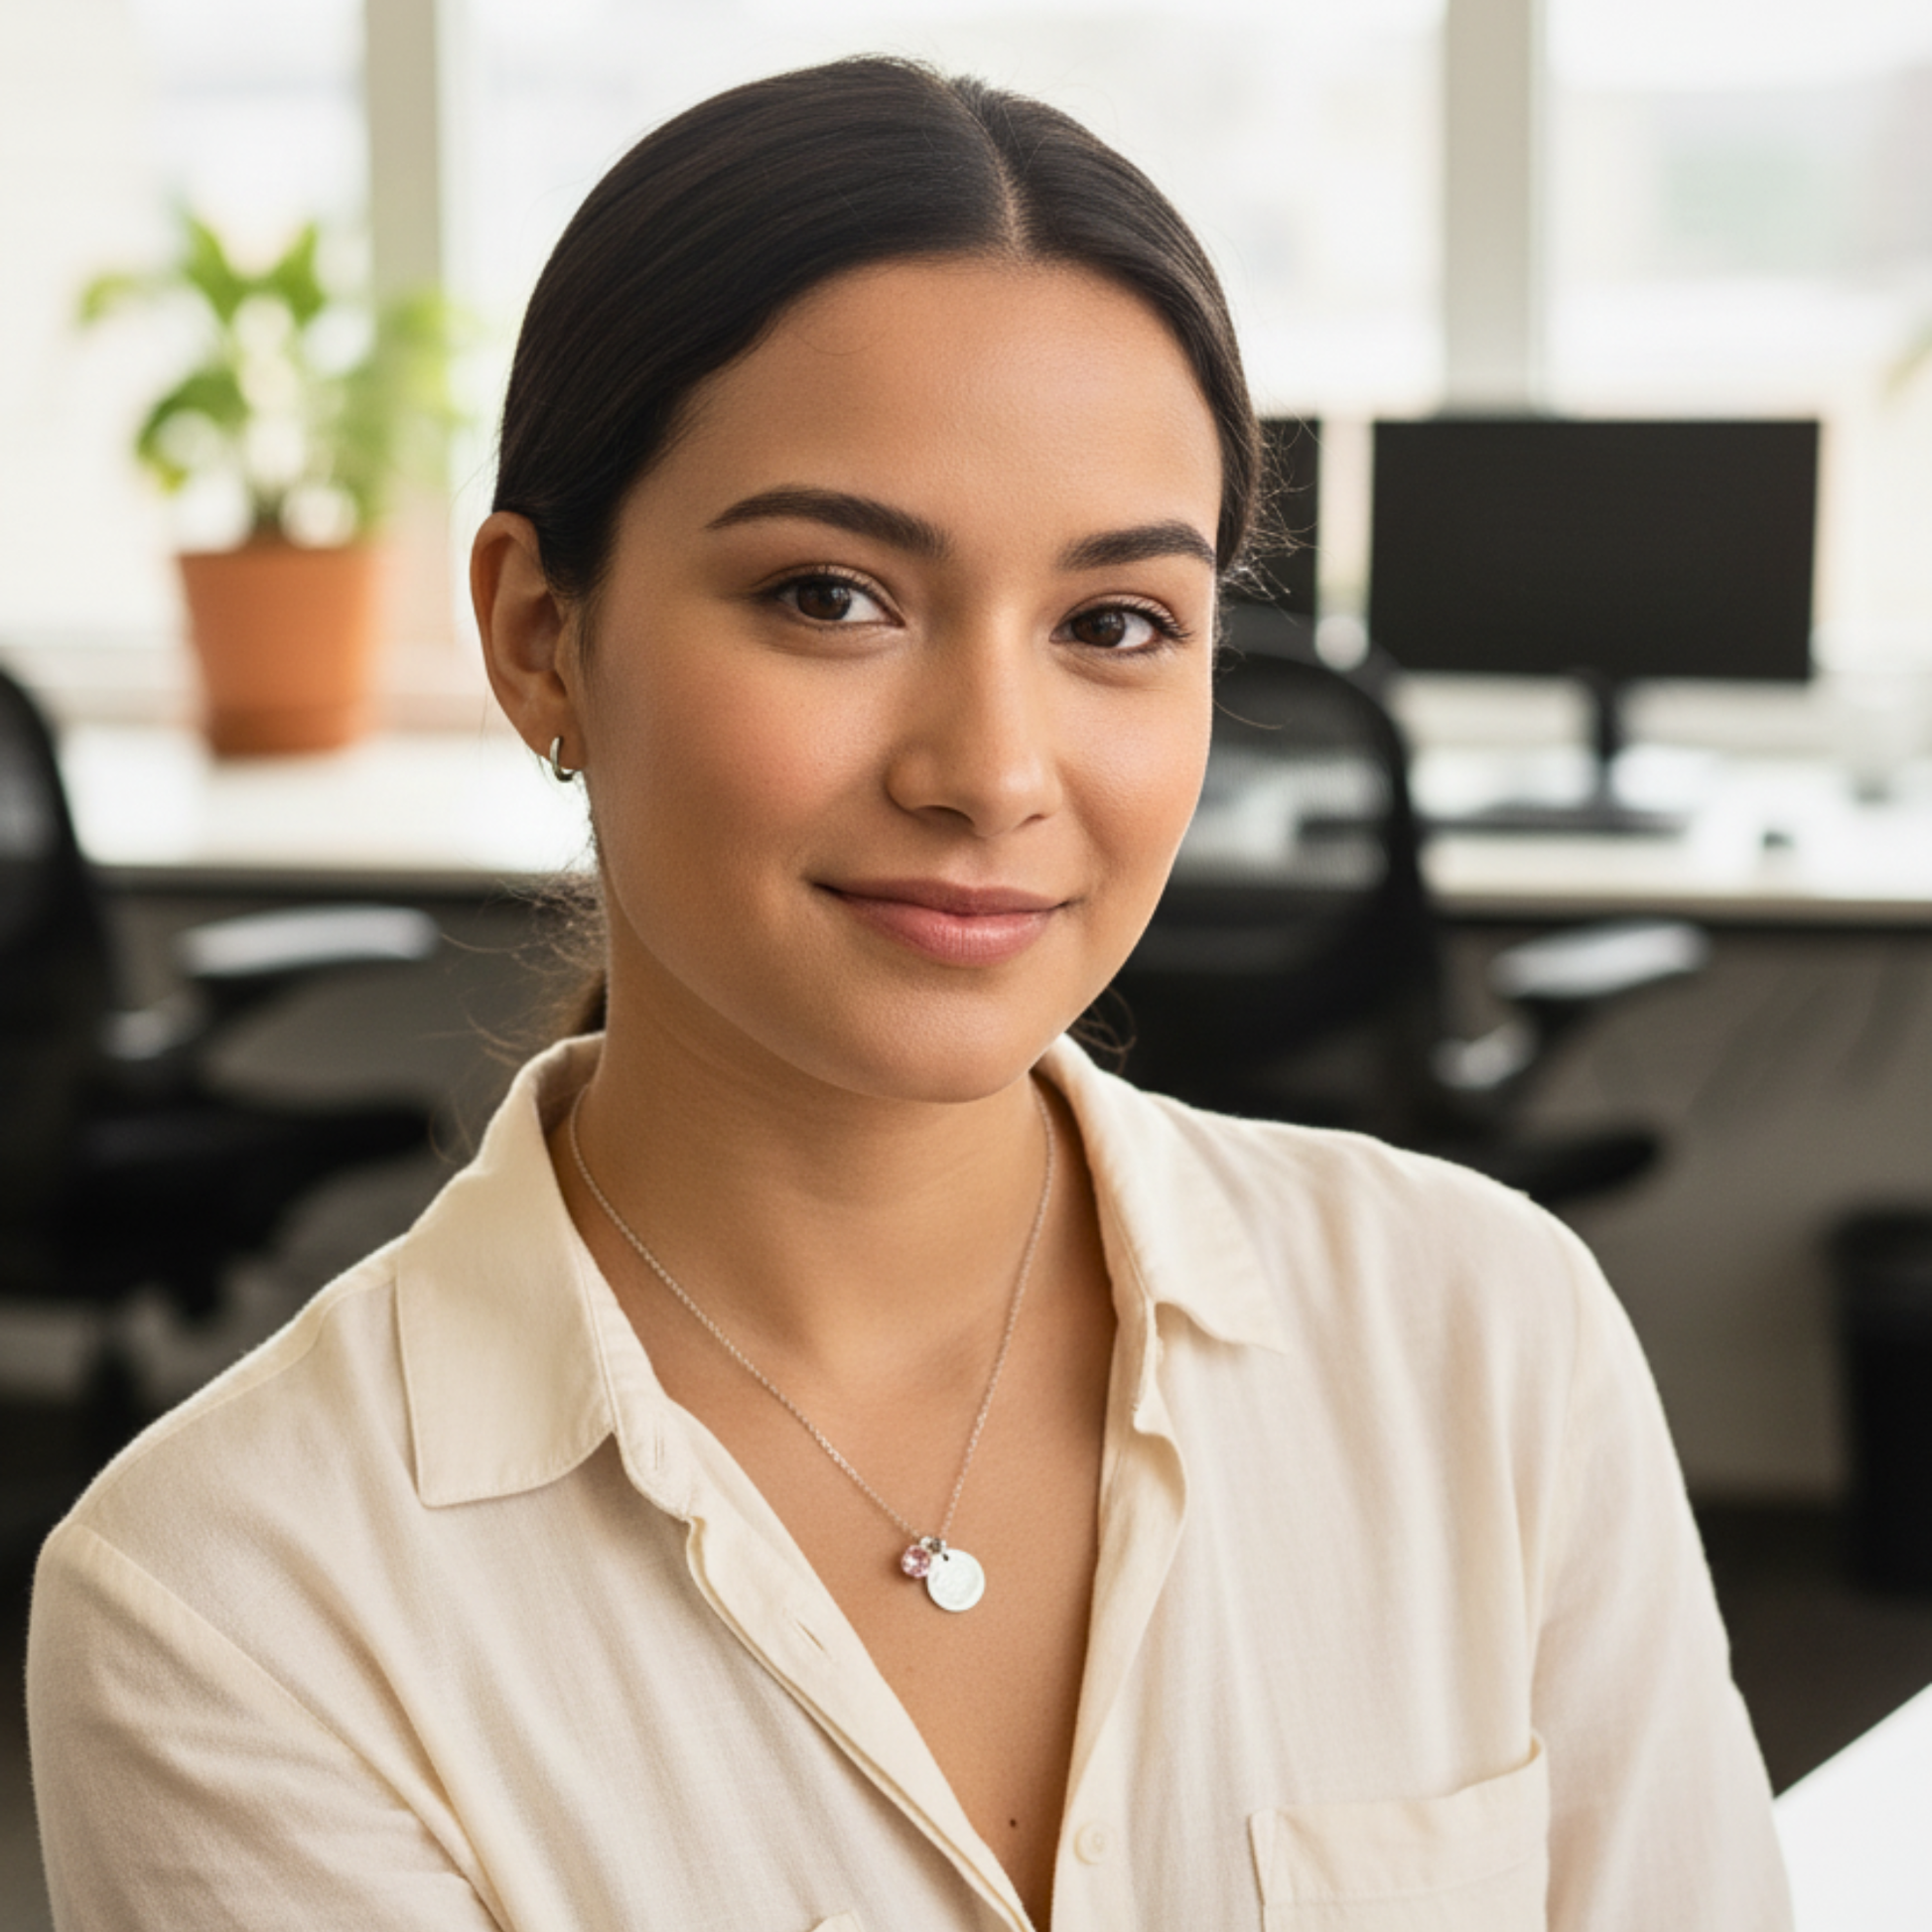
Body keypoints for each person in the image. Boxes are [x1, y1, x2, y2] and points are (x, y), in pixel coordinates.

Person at [28, 57, 1791, 1931]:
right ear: (541, 632)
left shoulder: (1483, 1335)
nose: (993, 769)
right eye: (830, 595)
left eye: (1117, 624)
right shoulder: (230, 1599)